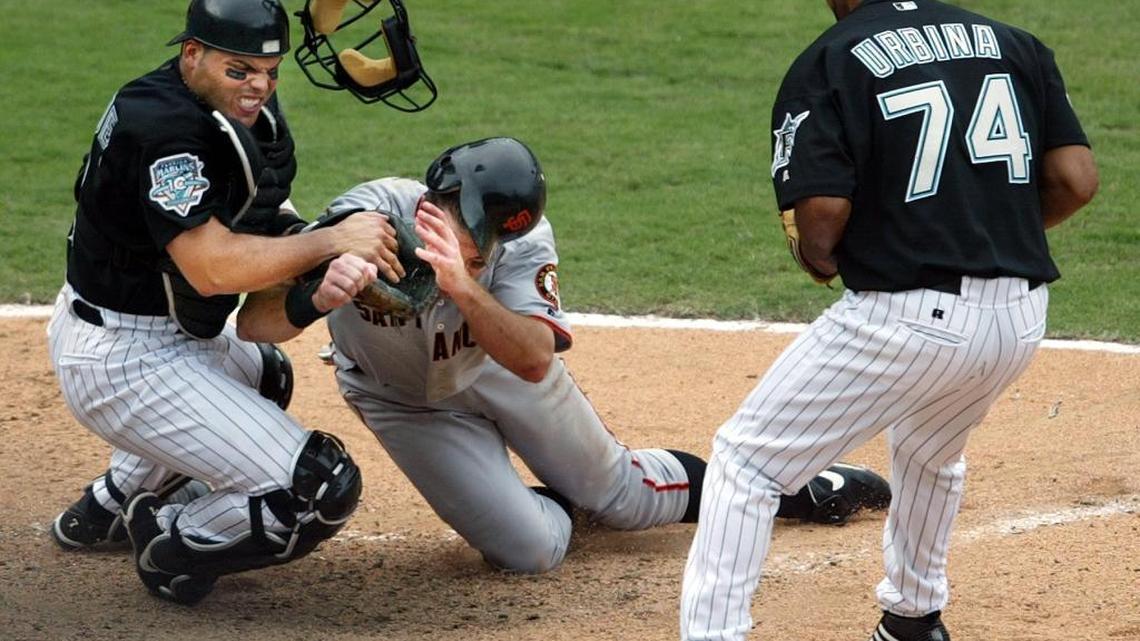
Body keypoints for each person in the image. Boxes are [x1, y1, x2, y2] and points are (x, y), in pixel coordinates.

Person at [239, 136, 893, 575]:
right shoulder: (362, 218)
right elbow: (255, 324)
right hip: (403, 402)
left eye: (488, 247)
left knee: (627, 497)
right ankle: (560, 499)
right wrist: (314, 300)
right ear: (428, 205)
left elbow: (532, 358)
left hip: (498, 368)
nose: (481, 250)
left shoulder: (521, 241)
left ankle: (795, 491)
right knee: (532, 549)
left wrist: (463, 287)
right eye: (473, 237)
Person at [679, 0, 1099, 639]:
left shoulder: (832, 57)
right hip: (1019, 318)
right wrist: (984, 230)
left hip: (907, 320)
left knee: (748, 464)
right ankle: (913, 621)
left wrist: (815, 255)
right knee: (931, 452)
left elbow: (820, 223)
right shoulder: (1014, 43)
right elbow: (1075, 179)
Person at [47, 0, 404, 605]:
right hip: (122, 357)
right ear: (193, 54)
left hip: (168, 332)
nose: (259, 86)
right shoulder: (166, 133)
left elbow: (257, 225)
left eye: (270, 71)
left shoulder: (210, 107)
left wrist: (320, 262)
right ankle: (171, 546)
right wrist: (331, 240)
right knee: (318, 489)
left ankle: (110, 504)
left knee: (263, 374)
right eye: (240, 70)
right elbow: (211, 270)